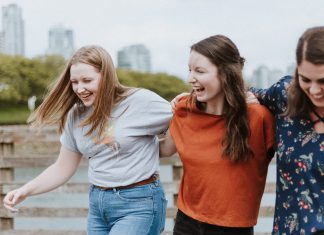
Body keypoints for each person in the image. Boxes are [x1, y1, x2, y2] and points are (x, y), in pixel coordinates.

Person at [3, 45, 172, 235]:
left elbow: (183, 123)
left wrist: (167, 146)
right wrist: (25, 190)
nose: (79, 88)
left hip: (139, 204)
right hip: (98, 204)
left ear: (106, 76)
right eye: (74, 82)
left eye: (87, 80)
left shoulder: (140, 101)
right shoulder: (76, 115)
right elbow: (62, 168)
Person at [159, 35, 276, 235]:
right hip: (186, 223)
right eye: (189, 70)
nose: (190, 79)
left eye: (199, 71)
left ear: (225, 74)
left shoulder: (259, 117)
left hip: (233, 228)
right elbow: (164, 149)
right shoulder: (184, 109)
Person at [248, 26, 324, 235]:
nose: (315, 90)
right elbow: (245, 94)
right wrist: (186, 103)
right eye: (306, 79)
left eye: (323, 81)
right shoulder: (284, 94)